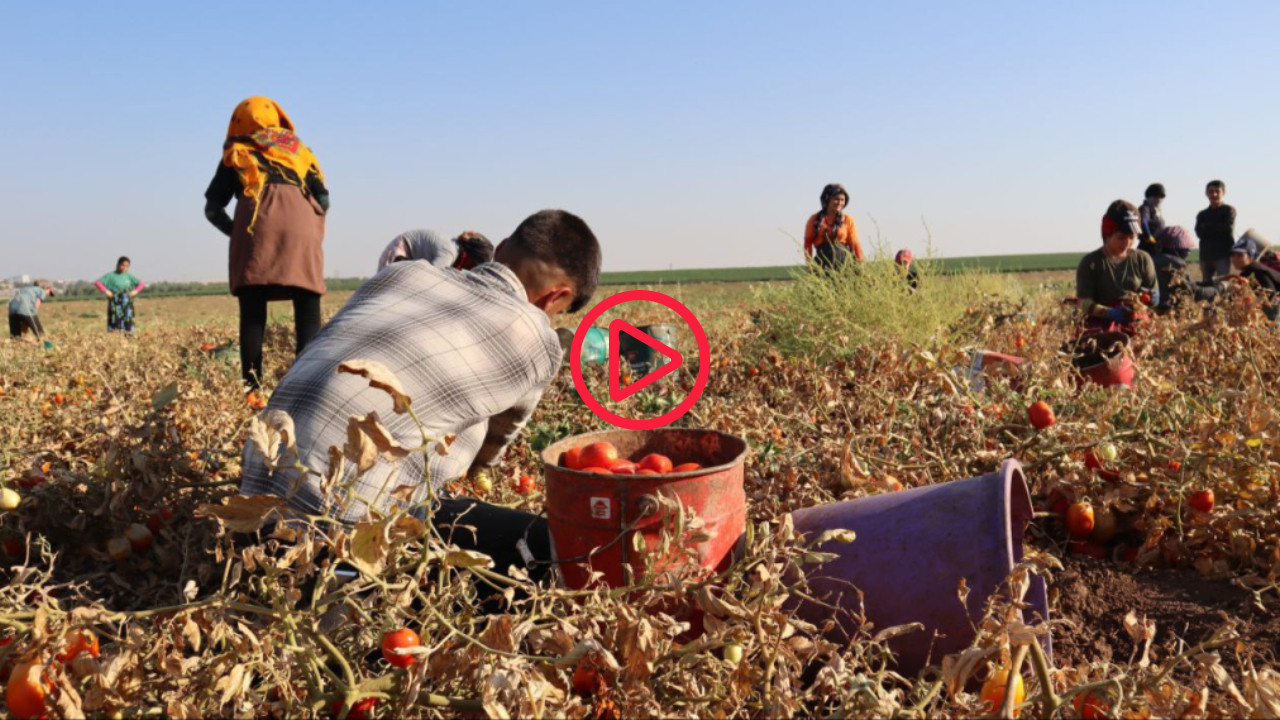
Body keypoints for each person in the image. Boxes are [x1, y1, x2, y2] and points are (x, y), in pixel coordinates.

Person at [239, 209, 601, 529]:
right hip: (341, 529)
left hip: (250, 498)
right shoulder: (536, 336)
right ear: (555, 297)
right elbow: (496, 441)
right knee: (546, 541)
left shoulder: (405, 274)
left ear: (503, 247)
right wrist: (480, 474)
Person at [204, 96, 330, 391]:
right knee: (307, 308)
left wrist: (237, 233)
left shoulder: (237, 152)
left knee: (253, 312)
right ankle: (304, 389)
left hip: (255, 230)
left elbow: (212, 208)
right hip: (302, 231)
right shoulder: (300, 152)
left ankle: (252, 390)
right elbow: (324, 199)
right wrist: (307, 228)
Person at [1075, 200, 1158, 335]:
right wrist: (1111, 313)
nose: (1127, 243)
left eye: (1132, 237)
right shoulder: (1091, 263)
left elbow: (1154, 295)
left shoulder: (1143, 259)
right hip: (1101, 325)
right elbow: (1083, 302)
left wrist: (1150, 298)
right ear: (1108, 234)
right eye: (1121, 237)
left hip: (1137, 322)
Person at [376, 229, 494, 273]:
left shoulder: (454, 247)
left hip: (409, 255)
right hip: (401, 251)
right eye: (472, 264)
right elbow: (431, 277)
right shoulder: (449, 253)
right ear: (468, 256)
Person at [804, 183, 864, 269]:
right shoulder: (814, 220)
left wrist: (860, 264)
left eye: (842, 200)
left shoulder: (848, 220)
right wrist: (809, 265)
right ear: (827, 199)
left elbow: (854, 244)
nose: (839, 203)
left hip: (845, 264)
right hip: (822, 264)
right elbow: (808, 244)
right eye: (836, 199)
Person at [1228, 234, 1280, 321]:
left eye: (1240, 255)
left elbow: (1271, 298)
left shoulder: (1257, 272)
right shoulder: (1247, 272)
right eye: (1232, 255)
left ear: (1251, 257)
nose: (1234, 259)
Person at [1195, 179, 1236, 283]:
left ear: (1223, 193)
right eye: (1211, 191)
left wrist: (1207, 227)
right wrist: (1217, 226)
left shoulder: (1229, 210)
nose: (1214, 194)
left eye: (1217, 191)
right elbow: (1199, 232)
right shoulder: (1202, 214)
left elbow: (1227, 229)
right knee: (1205, 285)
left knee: (1222, 284)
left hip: (1222, 254)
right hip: (1205, 255)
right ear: (1206, 194)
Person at [95, 257, 145, 332]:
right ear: (117, 265)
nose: (124, 268)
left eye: (127, 266)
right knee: (114, 323)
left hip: (127, 304)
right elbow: (98, 283)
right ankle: (115, 340)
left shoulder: (129, 277)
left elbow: (141, 284)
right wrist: (107, 291)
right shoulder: (110, 276)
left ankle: (128, 339)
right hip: (114, 303)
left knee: (128, 323)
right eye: (122, 265)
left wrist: (134, 292)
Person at [1138, 183, 1166, 252]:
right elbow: (1144, 221)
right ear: (1148, 197)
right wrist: (1149, 236)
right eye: (1156, 196)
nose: (1159, 199)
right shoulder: (1145, 208)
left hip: (1156, 246)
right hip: (1148, 246)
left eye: (1161, 197)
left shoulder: (1156, 210)